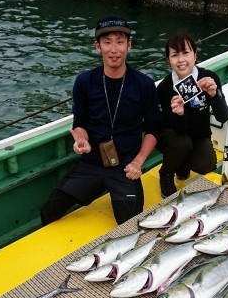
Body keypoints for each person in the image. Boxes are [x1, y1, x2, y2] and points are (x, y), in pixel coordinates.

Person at [41, 15, 162, 225]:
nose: (113, 49)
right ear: (98, 46)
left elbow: (153, 129)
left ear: (129, 45)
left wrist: (138, 162)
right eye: (107, 42)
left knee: (130, 224)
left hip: (125, 166)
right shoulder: (84, 82)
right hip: (91, 162)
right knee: (49, 212)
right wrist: (81, 139)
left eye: (120, 42)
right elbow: (80, 123)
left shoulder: (144, 85)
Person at [156, 31, 228, 198]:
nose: (181, 60)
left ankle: (182, 164)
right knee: (182, 143)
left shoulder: (209, 77)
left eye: (186, 53)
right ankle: (166, 174)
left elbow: (223, 117)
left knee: (207, 164)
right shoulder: (164, 88)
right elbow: (177, 128)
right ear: (168, 60)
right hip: (172, 135)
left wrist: (214, 94)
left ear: (195, 55)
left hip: (198, 134)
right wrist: (180, 113)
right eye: (175, 55)